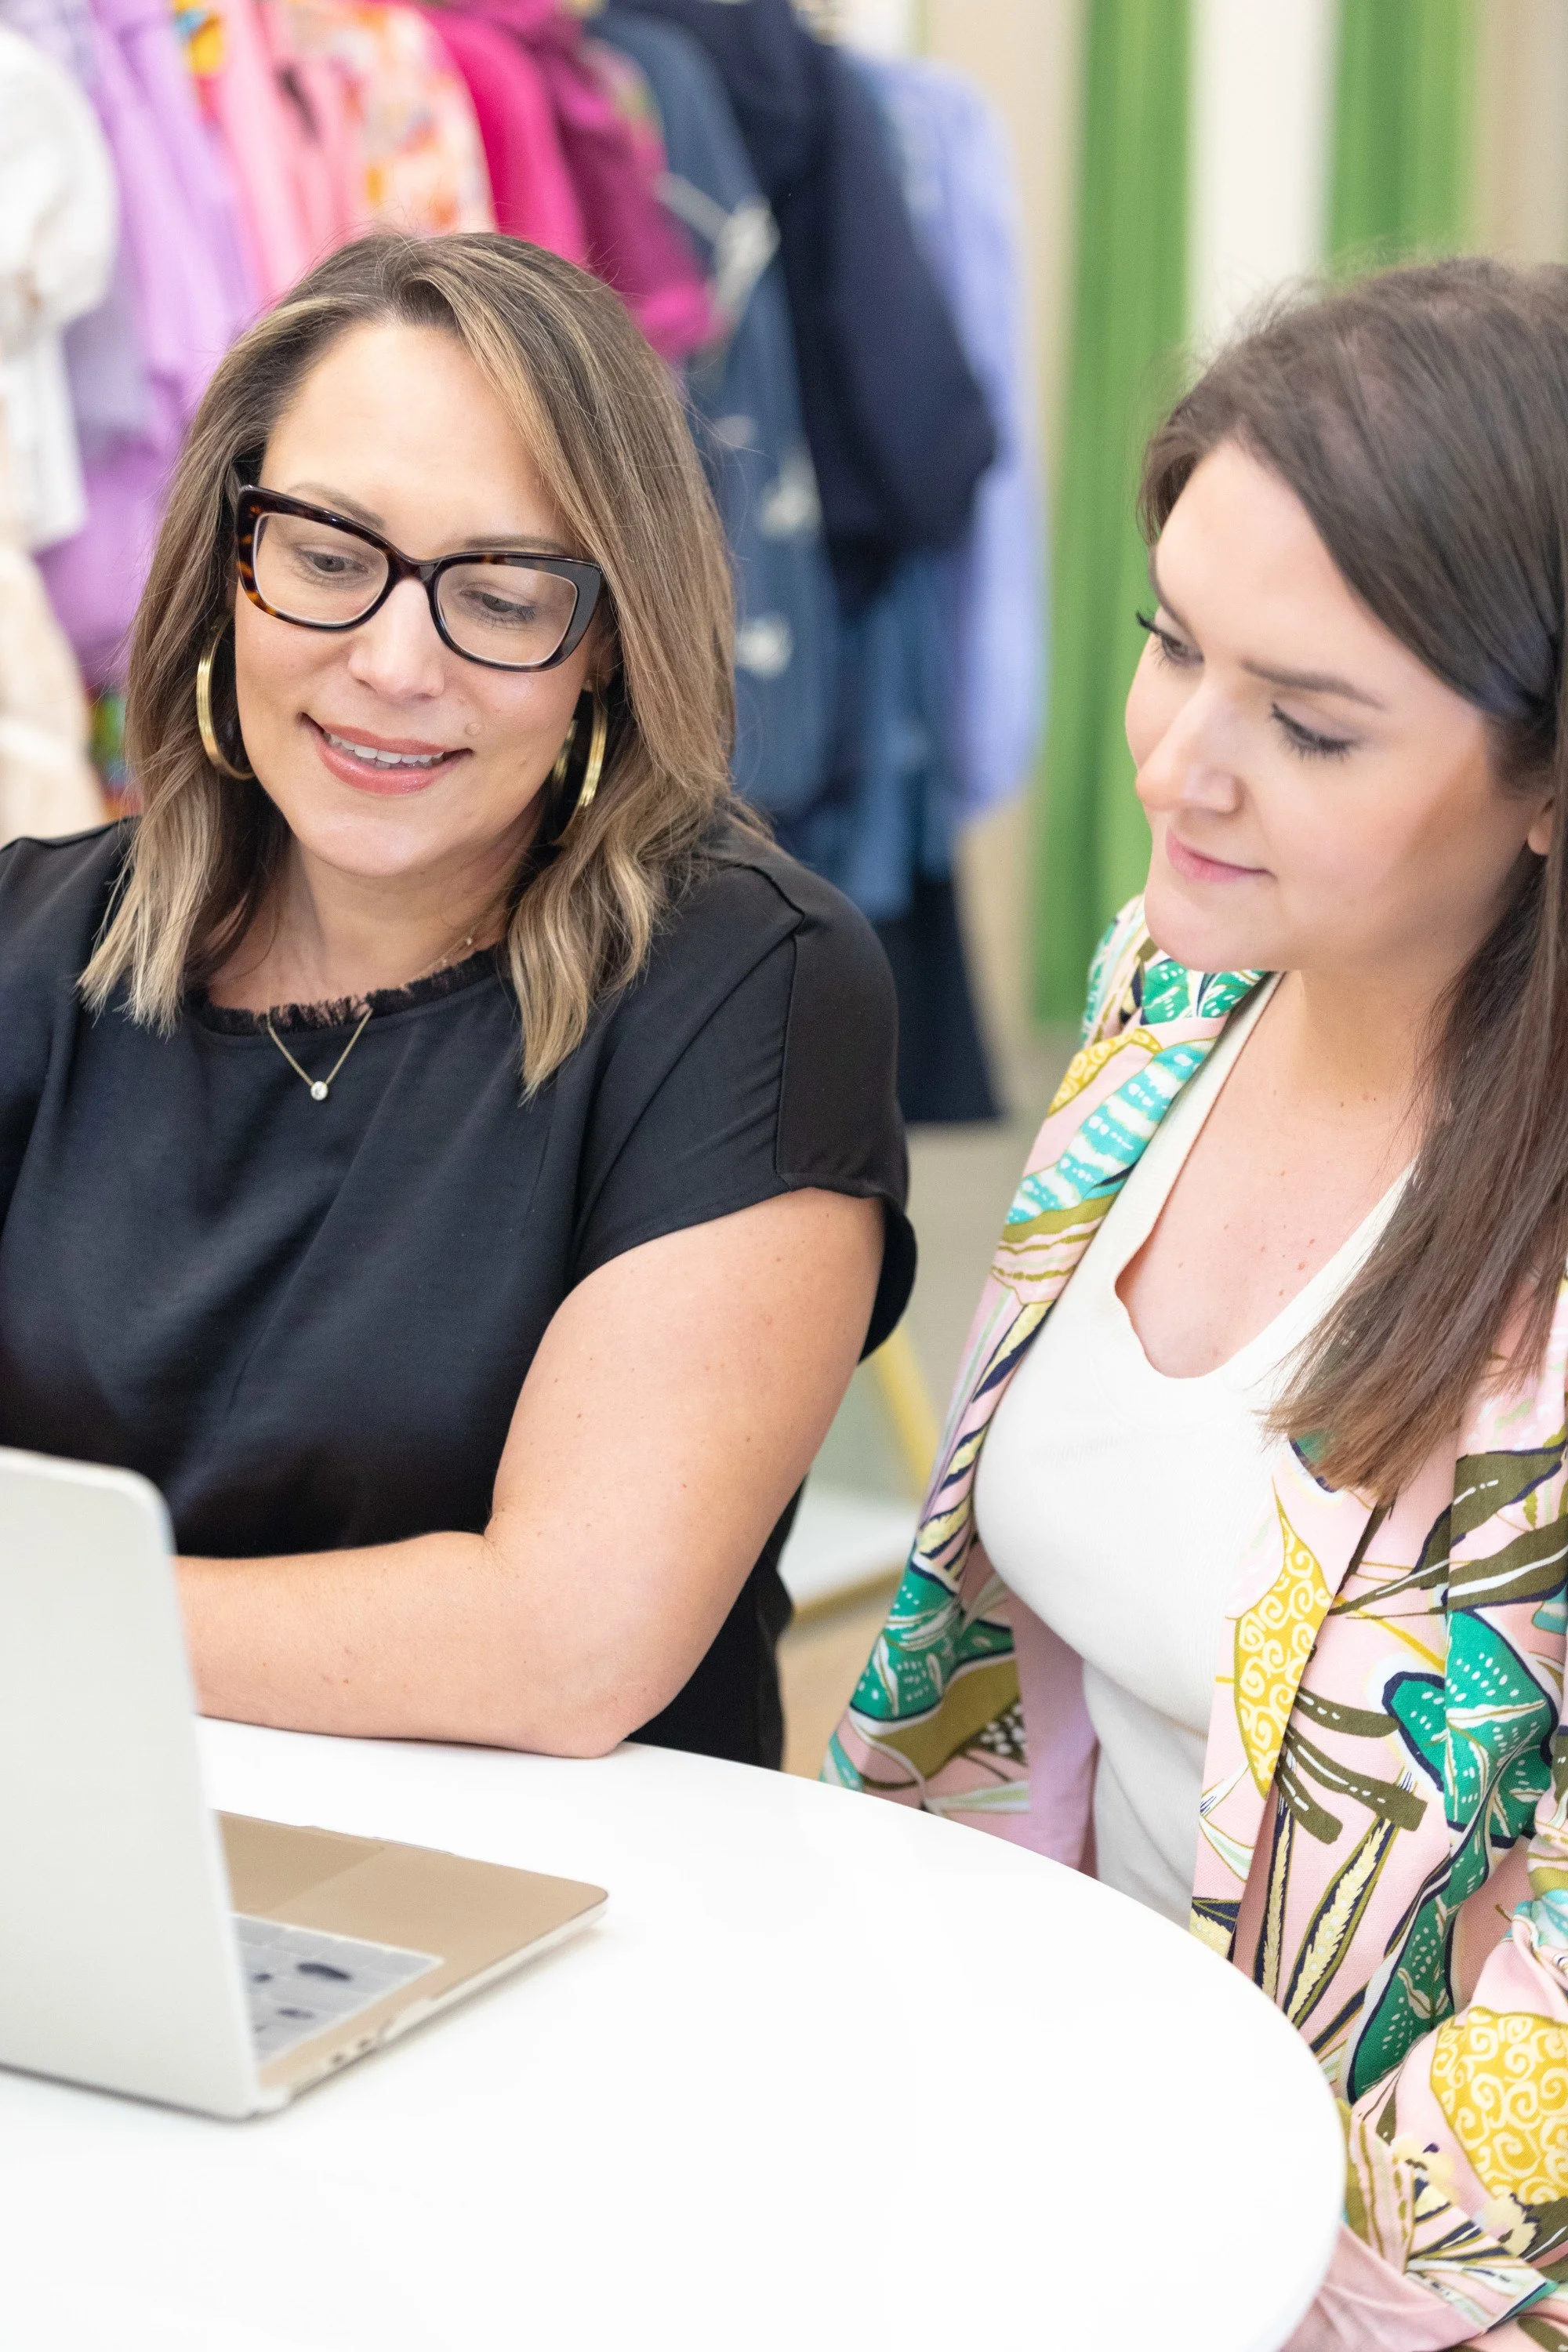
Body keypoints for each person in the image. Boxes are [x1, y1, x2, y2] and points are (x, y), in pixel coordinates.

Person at [829, 260, 1568, 2349]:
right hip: (1052, 2135)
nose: (1178, 767)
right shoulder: (1173, 993)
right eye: (1171, 645)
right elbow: (1003, 1665)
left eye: (1311, 723)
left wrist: (1227, 2271)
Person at [0, 230, 914, 1770]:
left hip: (561, 1936)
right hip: (79, 1866)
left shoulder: (750, 986)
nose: (393, 661)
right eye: (327, 556)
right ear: (229, 563)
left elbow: (566, 1646)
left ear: (608, 642)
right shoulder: (37, 939)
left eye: (499, 593)